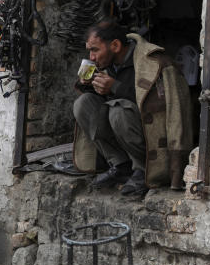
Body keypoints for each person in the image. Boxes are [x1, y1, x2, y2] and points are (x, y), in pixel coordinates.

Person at [72, 20, 194, 197]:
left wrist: (115, 87)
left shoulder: (154, 62)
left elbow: (172, 111)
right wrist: (89, 85)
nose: (91, 57)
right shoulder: (107, 66)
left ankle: (142, 170)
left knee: (118, 110)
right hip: (125, 135)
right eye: (90, 51)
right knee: (83, 104)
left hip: (153, 145)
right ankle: (120, 165)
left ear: (115, 45)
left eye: (95, 50)